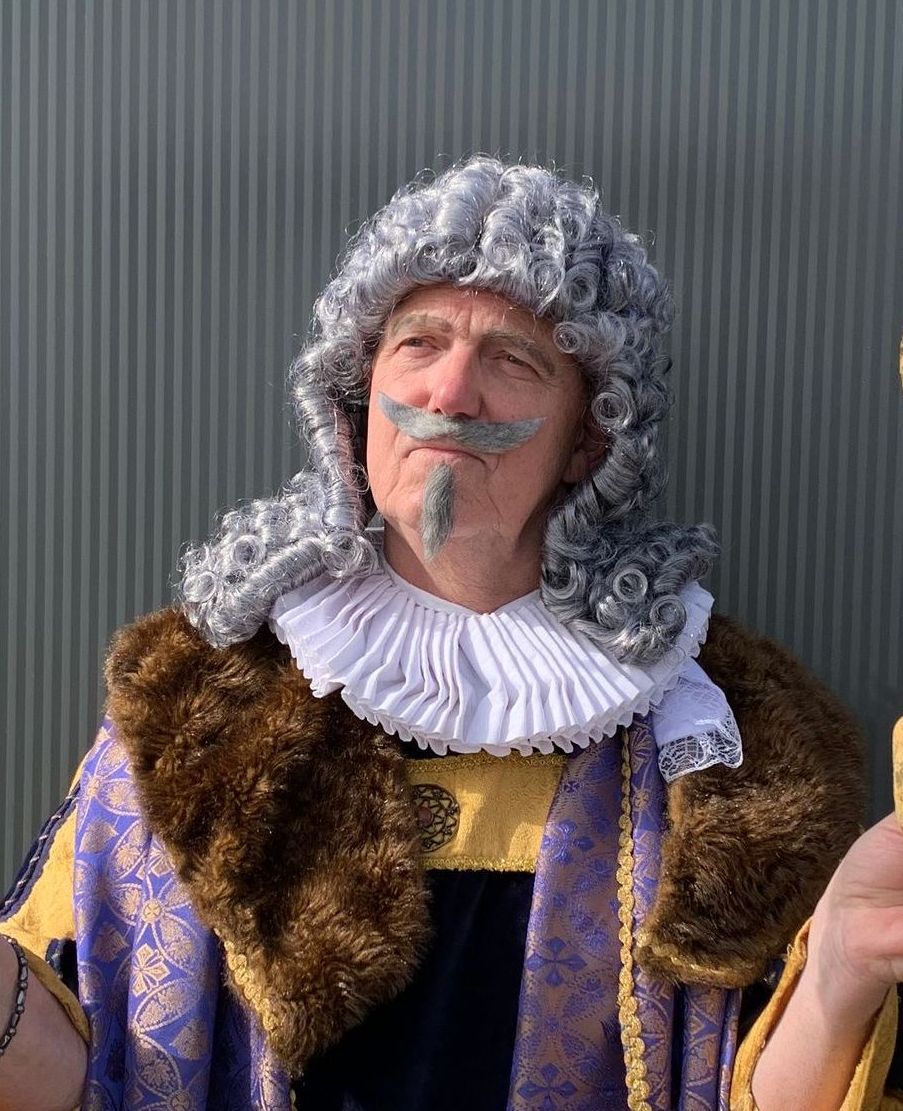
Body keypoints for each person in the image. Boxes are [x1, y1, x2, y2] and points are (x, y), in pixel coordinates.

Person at [0, 155, 900, 1111]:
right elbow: (79, 1071)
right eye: (418, 342)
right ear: (355, 398)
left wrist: (841, 967)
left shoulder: (733, 739)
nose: (450, 393)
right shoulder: (195, 701)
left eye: (513, 359)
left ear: (588, 440)